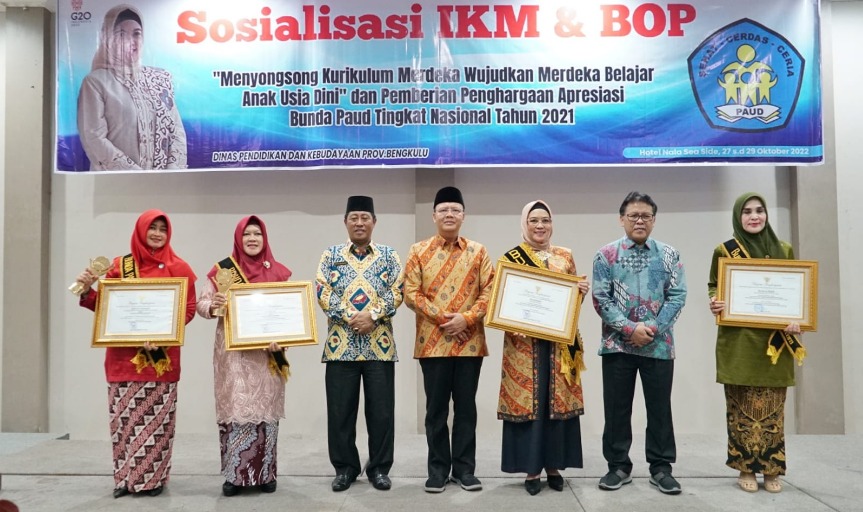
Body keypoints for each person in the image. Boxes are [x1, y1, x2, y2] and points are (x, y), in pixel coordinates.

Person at [75, 209, 197, 498]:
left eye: (163, 229)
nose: (157, 234)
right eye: (152, 228)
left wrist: (165, 333)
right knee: (124, 423)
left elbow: (189, 309)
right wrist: (86, 289)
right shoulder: (121, 266)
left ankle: (152, 480)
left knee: (157, 423)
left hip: (160, 359)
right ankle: (124, 479)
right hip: (122, 360)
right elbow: (104, 307)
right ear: (140, 231)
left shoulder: (179, 268)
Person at [592, 191, 687, 495]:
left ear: (654, 220)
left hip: (659, 346)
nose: (639, 221)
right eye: (633, 215)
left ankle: (661, 468)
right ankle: (618, 466)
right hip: (617, 345)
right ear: (621, 219)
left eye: (646, 215)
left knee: (660, 410)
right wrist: (630, 328)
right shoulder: (605, 255)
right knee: (617, 410)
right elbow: (601, 298)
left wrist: (654, 328)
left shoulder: (669, 255)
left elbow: (678, 296)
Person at [708, 192, 802, 494]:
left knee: (773, 411)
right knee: (741, 410)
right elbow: (714, 285)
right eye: (747, 211)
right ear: (738, 216)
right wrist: (715, 301)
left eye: (759, 210)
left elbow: (796, 288)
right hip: (739, 344)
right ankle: (746, 467)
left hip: (774, 344)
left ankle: (772, 469)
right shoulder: (725, 250)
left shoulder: (784, 250)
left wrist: (798, 317)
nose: (754, 216)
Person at [404, 186, 495, 493]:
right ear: (433, 216)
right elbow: (410, 293)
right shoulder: (418, 251)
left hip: (470, 343)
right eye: (443, 209)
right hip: (433, 343)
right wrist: (445, 318)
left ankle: (465, 470)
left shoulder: (478, 252)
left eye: (455, 209)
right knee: (436, 411)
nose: (449, 214)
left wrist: (466, 319)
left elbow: (490, 291)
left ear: (463, 216)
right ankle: (438, 470)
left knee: (466, 409)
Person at [498, 200, 589, 495]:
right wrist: (509, 318)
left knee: (556, 403)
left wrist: (580, 293)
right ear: (524, 223)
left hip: (559, 345)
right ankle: (531, 470)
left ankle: (554, 467)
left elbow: (570, 303)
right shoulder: (511, 258)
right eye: (534, 220)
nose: (540, 225)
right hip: (524, 346)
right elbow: (501, 301)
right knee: (532, 403)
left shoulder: (565, 256)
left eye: (545, 220)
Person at [196, 216, 292, 497]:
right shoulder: (222, 271)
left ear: (265, 239)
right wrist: (214, 305)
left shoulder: (279, 272)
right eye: (247, 234)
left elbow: (288, 314)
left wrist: (285, 339)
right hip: (234, 357)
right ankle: (234, 477)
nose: (252, 239)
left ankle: (266, 475)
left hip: (267, 355)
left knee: (266, 413)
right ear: (238, 239)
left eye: (257, 234)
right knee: (236, 411)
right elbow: (201, 305)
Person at [315, 196, 404, 492]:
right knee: (340, 414)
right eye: (354, 217)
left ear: (374, 222)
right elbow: (322, 290)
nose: (359, 222)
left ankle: (379, 469)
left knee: (382, 414)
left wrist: (373, 315)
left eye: (365, 217)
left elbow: (398, 290)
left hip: (380, 348)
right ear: (345, 222)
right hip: (340, 347)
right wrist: (352, 316)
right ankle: (345, 469)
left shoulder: (389, 255)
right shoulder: (331, 255)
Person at [78, 4, 187, 170]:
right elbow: (93, 138)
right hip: (116, 182)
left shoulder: (160, 79)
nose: (131, 41)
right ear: (108, 39)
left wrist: (170, 175)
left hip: (163, 182)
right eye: (121, 34)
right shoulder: (96, 82)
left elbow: (176, 131)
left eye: (136, 34)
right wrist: (135, 176)